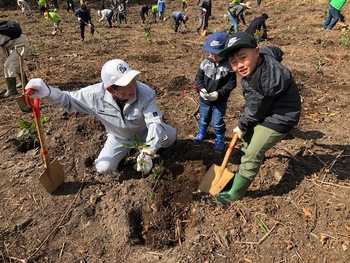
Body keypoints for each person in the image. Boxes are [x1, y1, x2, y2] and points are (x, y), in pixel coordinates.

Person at [24, 59, 177, 177]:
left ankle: (151, 149)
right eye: (125, 85)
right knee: (104, 168)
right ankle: (123, 156)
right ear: (110, 89)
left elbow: (154, 123)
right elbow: (68, 100)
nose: (133, 87)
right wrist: (49, 92)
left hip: (144, 132)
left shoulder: (146, 93)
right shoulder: (94, 95)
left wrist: (147, 151)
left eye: (133, 80)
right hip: (119, 138)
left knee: (170, 137)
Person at [213, 32, 301, 204]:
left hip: (282, 117)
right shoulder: (265, 54)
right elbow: (275, 51)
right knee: (249, 135)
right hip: (271, 108)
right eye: (233, 62)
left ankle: (236, 192)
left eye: (242, 57)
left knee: (252, 152)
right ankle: (248, 154)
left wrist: (241, 125)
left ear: (256, 51)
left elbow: (254, 112)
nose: (239, 65)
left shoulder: (260, 84)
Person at [194, 32, 236, 152]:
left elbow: (231, 84)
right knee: (204, 117)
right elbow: (198, 78)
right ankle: (203, 132)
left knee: (217, 121)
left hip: (220, 101)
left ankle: (219, 138)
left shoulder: (229, 66)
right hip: (205, 99)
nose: (212, 55)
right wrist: (202, 89)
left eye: (216, 54)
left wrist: (218, 93)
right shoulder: (205, 63)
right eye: (210, 52)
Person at [0, 28, 29, 98]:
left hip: (21, 45)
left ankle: (12, 90)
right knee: (17, 65)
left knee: (8, 65)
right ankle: (24, 83)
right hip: (18, 43)